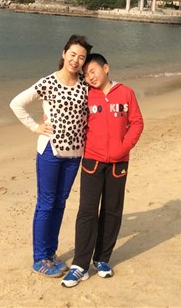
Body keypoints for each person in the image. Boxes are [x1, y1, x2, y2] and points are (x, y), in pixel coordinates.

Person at [10, 34, 92, 278]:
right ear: (64, 53)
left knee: (60, 202)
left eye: (82, 57)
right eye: (73, 54)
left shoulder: (85, 84)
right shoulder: (48, 82)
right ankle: (40, 258)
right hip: (50, 151)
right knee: (46, 203)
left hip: (75, 153)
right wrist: (35, 127)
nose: (76, 60)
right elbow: (16, 103)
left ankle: (51, 253)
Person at [62, 53, 144, 287]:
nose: (89, 77)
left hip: (119, 163)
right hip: (92, 161)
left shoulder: (126, 93)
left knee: (112, 210)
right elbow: (69, 114)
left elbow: (137, 122)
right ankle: (80, 265)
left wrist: (123, 148)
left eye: (93, 71)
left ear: (105, 68)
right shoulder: (86, 94)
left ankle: (102, 258)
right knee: (87, 211)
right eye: (86, 74)